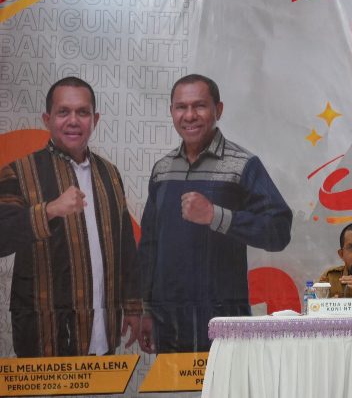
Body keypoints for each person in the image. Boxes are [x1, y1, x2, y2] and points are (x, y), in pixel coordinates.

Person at [138, 74, 292, 353]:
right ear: (171, 112)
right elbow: (149, 244)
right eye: (181, 107)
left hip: (224, 322)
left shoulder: (243, 165)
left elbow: (278, 231)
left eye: (199, 106)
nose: (189, 115)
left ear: (218, 110)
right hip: (169, 324)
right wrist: (146, 309)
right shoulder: (162, 169)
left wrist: (216, 216)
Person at [0, 77, 142, 357]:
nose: (73, 121)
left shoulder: (110, 174)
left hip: (102, 328)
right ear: (47, 119)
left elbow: (126, 245)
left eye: (83, 112)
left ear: (95, 119)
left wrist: (134, 306)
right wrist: (49, 210)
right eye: (63, 112)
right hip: (44, 333)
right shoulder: (19, 172)